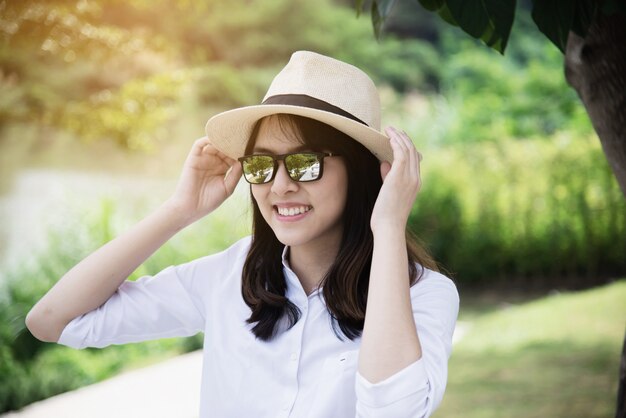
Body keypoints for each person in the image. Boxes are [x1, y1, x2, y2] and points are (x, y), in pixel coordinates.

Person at [26, 51, 459, 417]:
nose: (279, 185)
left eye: (306, 163)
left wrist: (387, 226)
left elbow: (394, 409)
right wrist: (179, 211)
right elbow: (53, 320)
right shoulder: (227, 277)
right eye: (261, 165)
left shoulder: (424, 293)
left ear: (361, 171)